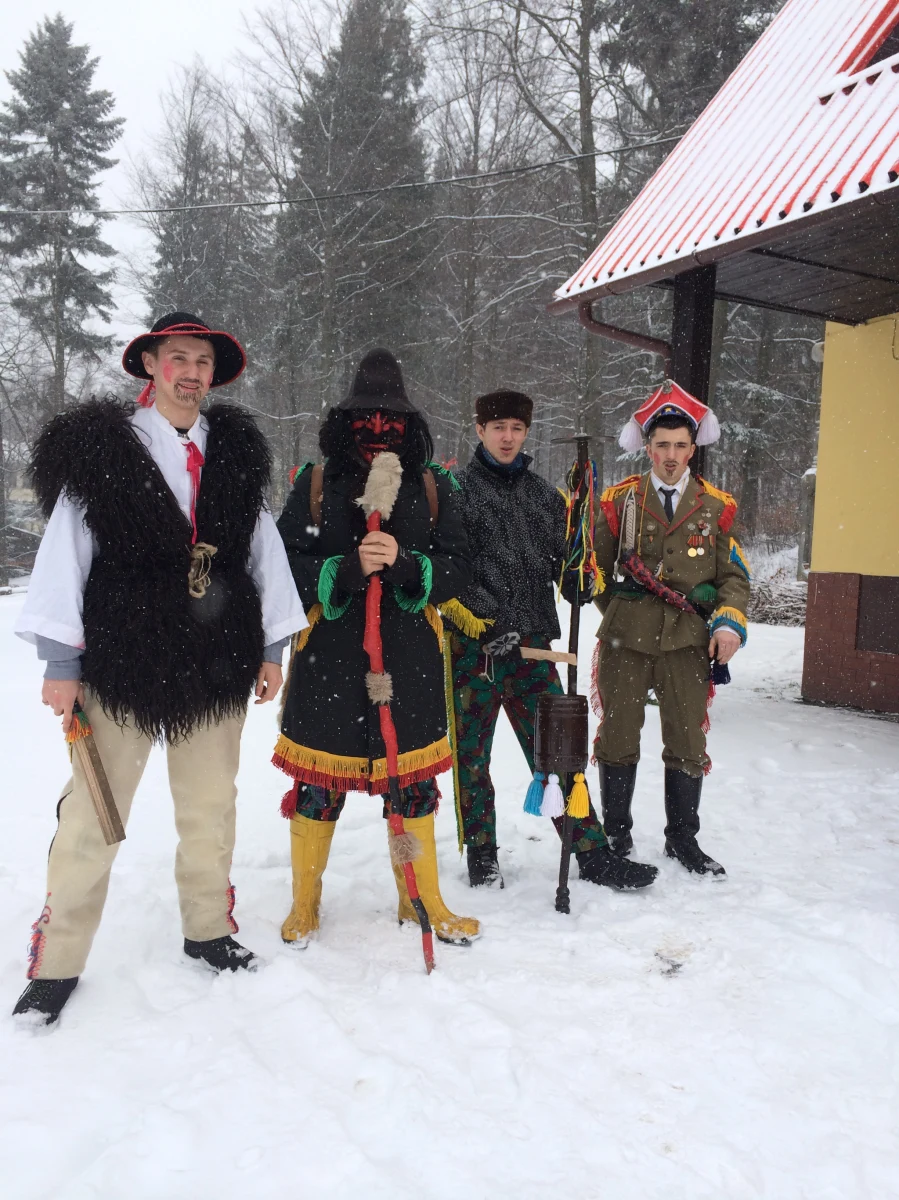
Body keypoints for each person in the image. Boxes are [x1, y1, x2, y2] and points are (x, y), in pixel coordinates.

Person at [12, 312, 307, 1026]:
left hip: (216, 657)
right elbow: (65, 555)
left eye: (202, 362)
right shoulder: (105, 454)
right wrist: (61, 661)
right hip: (122, 660)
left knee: (209, 807)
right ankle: (57, 963)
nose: (191, 374)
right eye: (178, 358)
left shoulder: (233, 456)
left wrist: (272, 648)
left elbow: (262, 552)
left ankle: (208, 929)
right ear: (150, 364)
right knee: (94, 814)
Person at [274, 349, 480, 947]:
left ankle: (421, 900)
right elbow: (284, 564)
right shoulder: (314, 483)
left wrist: (409, 565)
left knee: (412, 789)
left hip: (409, 662)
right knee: (318, 788)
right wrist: (342, 569)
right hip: (329, 662)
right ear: (346, 422)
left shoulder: (433, 486)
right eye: (367, 418)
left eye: (392, 419)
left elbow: (459, 566)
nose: (379, 429)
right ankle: (305, 903)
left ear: (410, 425)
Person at [444, 389, 658, 891]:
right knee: (471, 758)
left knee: (558, 751)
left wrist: (581, 576)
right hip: (474, 651)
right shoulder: (454, 493)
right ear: (479, 429)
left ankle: (591, 853)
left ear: (526, 432)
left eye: (517, 428)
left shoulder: (545, 498)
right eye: (498, 427)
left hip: (533, 649)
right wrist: (486, 616)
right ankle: (482, 853)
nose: (507, 437)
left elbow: (569, 569)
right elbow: (448, 569)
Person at [593, 380, 751, 875]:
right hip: (625, 639)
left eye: (681, 445)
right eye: (662, 444)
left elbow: (733, 578)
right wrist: (622, 612)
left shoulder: (715, 506)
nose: (671, 455)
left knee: (686, 741)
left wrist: (728, 625)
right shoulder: (620, 501)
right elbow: (596, 571)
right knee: (618, 735)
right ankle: (616, 832)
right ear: (647, 447)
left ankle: (683, 839)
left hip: (687, 641)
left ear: (692, 449)